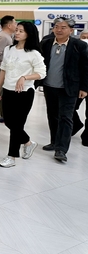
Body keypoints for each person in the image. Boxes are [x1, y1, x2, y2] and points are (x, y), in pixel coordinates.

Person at [0, 22, 46, 168]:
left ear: (29, 34)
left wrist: (25, 77)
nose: (17, 33)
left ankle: (11, 156)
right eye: (16, 30)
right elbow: (3, 69)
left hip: (24, 93)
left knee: (17, 125)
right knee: (9, 123)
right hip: (8, 91)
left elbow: (42, 73)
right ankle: (28, 143)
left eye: (21, 31)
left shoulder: (34, 53)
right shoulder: (8, 49)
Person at [39, 17, 88, 163]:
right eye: (56, 27)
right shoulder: (46, 43)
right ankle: (54, 141)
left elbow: (86, 68)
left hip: (69, 88)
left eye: (63, 27)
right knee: (52, 115)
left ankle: (61, 149)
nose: (59, 30)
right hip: (49, 86)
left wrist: (84, 88)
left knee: (66, 118)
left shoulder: (78, 45)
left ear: (71, 30)